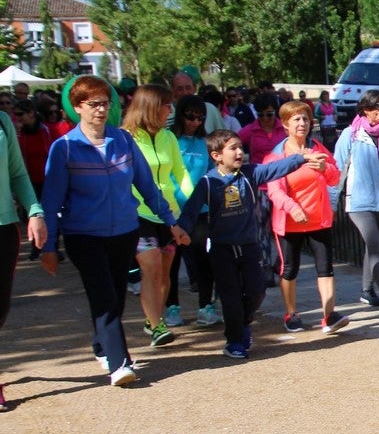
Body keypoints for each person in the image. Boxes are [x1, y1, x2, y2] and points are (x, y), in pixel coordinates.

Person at [40, 76, 190, 387]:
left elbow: (147, 188)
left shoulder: (123, 141)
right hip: (83, 234)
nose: (101, 110)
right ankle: (120, 363)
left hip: (124, 231)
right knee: (104, 294)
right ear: (78, 107)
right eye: (93, 104)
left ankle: (101, 344)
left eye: (105, 103)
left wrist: (170, 222)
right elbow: (52, 200)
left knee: (115, 294)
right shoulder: (64, 148)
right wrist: (50, 245)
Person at [177, 130, 327, 359]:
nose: (240, 152)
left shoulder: (250, 173)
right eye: (233, 148)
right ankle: (234, 341)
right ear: (216, 155)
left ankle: (243, 322)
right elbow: (190, 210)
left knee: (257, 291)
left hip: (249, 245)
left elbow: (275, 168)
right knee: (231, 296)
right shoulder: (208, 182)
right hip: (221, 248)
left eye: (241, 147)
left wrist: (302, 157)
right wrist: (181, 229)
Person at [264, 100, 348, 335]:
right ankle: (291, 314)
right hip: (290, 223)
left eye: (305, 119)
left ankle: (329, 316)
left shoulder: (318, 149)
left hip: (318, 219)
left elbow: (334, 178)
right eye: (296, 120)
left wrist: (324, 169)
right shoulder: (277, 156)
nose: (302, 124)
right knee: (289, 269)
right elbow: (275, 191)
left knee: (326, 268)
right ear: (285, 125)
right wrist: (292, 208)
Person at [122, 85, 194, 347]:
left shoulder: (169, 138)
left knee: (165, 273)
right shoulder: (126, 137)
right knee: (150, 268)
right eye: (166, 105)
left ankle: (153, 317)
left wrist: (191, 202)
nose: (170, 110)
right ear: (151, 107)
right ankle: (157, 326)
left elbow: (181, 173)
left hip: (169, 213)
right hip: (138, 213)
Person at [333, 90, 379, 315]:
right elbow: (337, 169)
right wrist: (331, 203)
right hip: (359, 202)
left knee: (372, 247)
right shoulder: (351, 134)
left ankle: (366, 291)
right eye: (377, 107)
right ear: (365, 109)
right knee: (375, 245)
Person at [1, 108, 48, 411]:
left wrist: (35, 211)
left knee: (0, 308)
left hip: (4, 226)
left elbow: (17, 173)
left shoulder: (2, 121)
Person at [167, 94, 220, 327]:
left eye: (200, 118)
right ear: (180, 115)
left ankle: (206, 306)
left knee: (204, 260)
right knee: (172, 261)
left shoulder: (204, 143)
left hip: (201, 210)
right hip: (172, 210)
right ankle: (171, 307)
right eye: (190, 116)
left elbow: (211, 174)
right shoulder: (170, 140)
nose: (195, 122)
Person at [239, 92, 287, 287]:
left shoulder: (283, 129)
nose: (266, 119)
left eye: (269, 114)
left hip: (283, 184)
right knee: (262, 228)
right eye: (261, 115)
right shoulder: (250, 130)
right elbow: (231, 141)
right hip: (260, 186)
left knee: (284, 228)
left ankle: (281, 263)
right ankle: (265, 267)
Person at [13, 99, 53, 260]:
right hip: (27, 180)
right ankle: (36, 246)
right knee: (30, 215)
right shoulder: (19, 132)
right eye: (16, 115)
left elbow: (49, 153)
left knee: (47, 213)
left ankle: (51, 246)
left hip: (45, 179)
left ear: (31, 113)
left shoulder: (44, 130)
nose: (18, 118)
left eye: (20, 114)